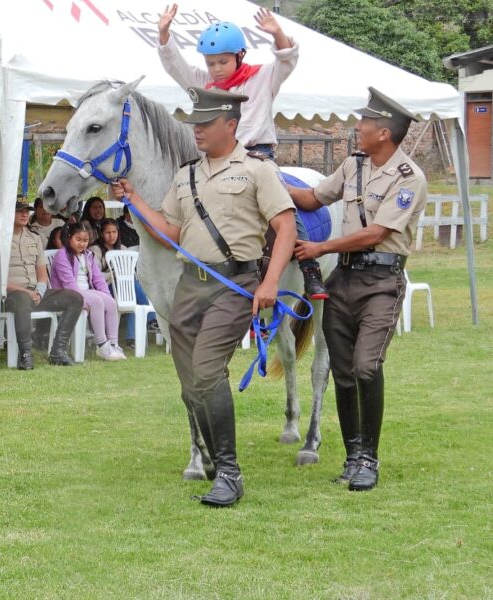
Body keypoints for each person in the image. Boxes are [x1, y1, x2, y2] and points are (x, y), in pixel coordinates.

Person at [111, 87, 298, 507]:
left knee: (208, 369)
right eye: (194, 123)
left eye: (206, 124)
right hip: (190, 287)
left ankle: (229, 473)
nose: (196, 131)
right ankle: (215, 459)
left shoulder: (256, 170)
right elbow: (172, 233)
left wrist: (269, 283)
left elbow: (285, 226)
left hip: (234, 285)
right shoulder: (187, 175)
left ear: (230, 125)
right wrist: (135, 200)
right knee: (190, 380)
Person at [285, 87, 428, 492]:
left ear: (384, 132)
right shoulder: (354, 166)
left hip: (381, 283)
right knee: (343, 372)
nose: (357, 126)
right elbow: (313, 198)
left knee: (367, 366)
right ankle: (352, 458)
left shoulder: (409, 178)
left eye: (364, 122)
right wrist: (273, 181)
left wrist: (321, 247)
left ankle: (369, 458)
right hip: (344, 279)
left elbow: (377, 232)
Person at [156, 6, 327, 299]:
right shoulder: (204, 83)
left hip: (256, 156)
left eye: (222, 61)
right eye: (211, 63)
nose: (216, 69)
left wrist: (277, 34)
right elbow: (176, 67)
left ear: (240, 56)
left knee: (283, 204)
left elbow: (287, 61)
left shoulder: (262, 77)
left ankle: (309, 266)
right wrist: (164, 35)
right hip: (217, 159)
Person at [0, 197, 84, 370]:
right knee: (23, 300)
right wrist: (25, 292)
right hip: (9, 295)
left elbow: (41, 273)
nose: (25, 214)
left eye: (27, 211)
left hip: (35, 293)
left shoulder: (35, 238)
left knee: (75, 298)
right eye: (20, 211)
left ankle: (58, 351)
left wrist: (40, 291)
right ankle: (25, 355)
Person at [49, 222, 125, 361]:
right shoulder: (62, 255)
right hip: (66, 294)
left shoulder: (88, 255)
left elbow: (98, 279)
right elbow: (69, 284)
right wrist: (83, 300)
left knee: (110, 302)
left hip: (86, 291)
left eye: (85, 240)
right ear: (69, 238)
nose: (82, 244)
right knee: (96, 301)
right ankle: (102, 345)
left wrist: (107, 296)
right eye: (78, 240)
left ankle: (113, 344)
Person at [93, 218, 124, 284]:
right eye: (108, 232)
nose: (111, 236)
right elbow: (95, 275)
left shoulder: (123, 249)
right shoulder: (95, 250)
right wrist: (114, 274)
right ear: (101, 234)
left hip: (124, 283)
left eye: (114, 232)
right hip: (105, 285)